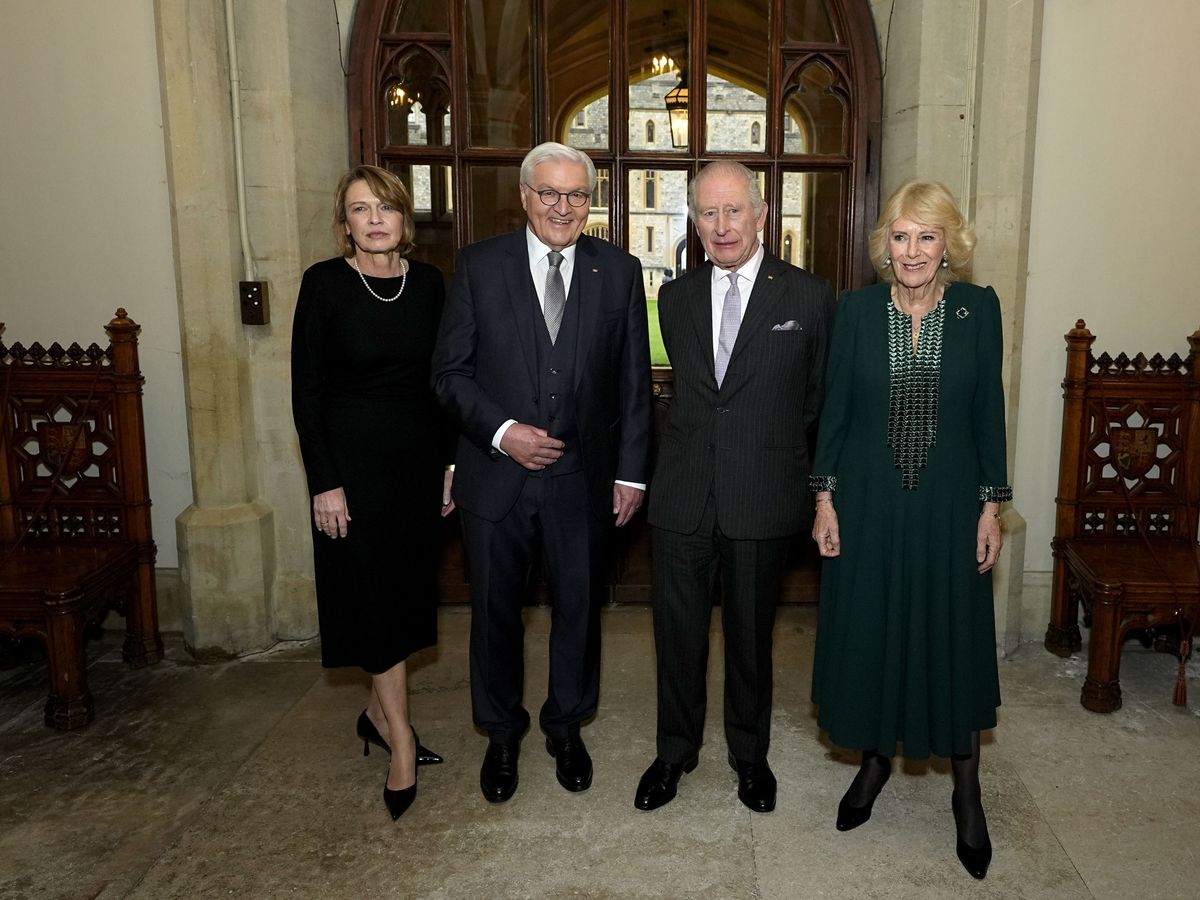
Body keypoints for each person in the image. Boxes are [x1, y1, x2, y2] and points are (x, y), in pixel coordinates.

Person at [431, 142, 651, 803]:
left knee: (579, 612)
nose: (564, 207)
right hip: (495, 482)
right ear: (525, 197)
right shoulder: (478, 267)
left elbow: (633, 383)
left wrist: (632, 475)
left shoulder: (617, 270)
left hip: (581, 482)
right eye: (550, 194)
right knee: (495, 612)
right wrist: (503, 434)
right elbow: (448, 375)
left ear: (591, 201)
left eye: (577, 195)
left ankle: (566, 725)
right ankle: (501, 735)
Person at [809, 180, 1010, 880]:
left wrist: (992, 506)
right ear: (884, 246)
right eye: (900, 236)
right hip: (867, 503)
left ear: (949, 244)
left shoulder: (979, 310)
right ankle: (872, 764)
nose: (914, 250)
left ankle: (966, 790)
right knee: (873, 630)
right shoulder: (857, 311)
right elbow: (834, 411)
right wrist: (824, 499)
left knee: (949, 636)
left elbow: (989, 412)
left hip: (951, 506)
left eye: (928, 235)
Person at [635, 161, 834, 814]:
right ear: (695, 223)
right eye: (708, 214)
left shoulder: (806, 297)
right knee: (678, 637)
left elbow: (817, 404)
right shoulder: (676, 296)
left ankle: (750, 758)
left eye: (733, 211)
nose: (721, 227)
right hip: (682, 498)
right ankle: (674, 751)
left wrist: (814, 489)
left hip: (761, 496)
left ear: (762, 214)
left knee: (751, 641)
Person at [291, 165, 454, 822]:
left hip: (416, 469)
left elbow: (445, 380)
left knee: (408, 603)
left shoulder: (430, 286)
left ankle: (372, 714)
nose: (375, 219)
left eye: (384, 206)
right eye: (361, 210)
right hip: (351, 475)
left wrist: (450, 462)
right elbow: (307, 393)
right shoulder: (325, 286)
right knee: (373, 604)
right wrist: (324, 481)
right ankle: (402, 741)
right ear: (346, 223)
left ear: (402, 218)